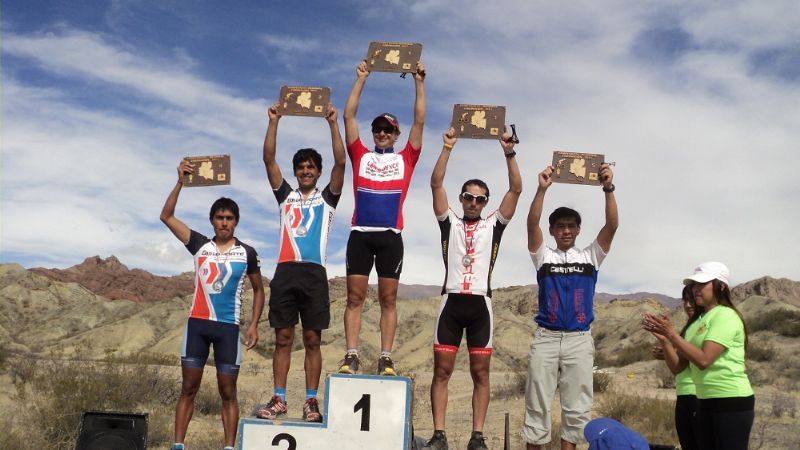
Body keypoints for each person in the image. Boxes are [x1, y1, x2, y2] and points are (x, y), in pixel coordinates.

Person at [423, 127, 522, 450]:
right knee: (442, 372)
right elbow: (436, 183)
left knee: (481, 373)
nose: (474, 202)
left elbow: (516, 189)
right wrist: (448, 146)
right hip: (450, 302)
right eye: (468, 197)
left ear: (485, 203)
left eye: (480, 199)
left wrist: (508, 152)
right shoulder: (448, 221)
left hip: (481, 304)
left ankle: (477, 436)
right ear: (461, 198)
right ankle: (440, 435)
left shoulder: (494, 224)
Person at [160, 160, 265, 450]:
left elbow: (259, 290)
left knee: (228, 392)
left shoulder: (247, 253)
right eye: (219, 217)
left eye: (229, 218)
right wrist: (180, 182)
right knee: (188, 389)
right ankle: (178, 445)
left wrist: (254, 324)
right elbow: (166, 216)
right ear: (212, 220)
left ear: (236, 221)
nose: (224, 222)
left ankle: (229, 447)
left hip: (228, 329)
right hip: (197, 326)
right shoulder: (199, 245)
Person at [255, 102, 345, 423]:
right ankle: (279, 399)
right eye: (301, 167)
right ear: (296, 172)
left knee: (312, 340)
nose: (306, 171)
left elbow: (341, 161)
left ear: (318, 172)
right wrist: (274, 122)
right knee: (282, 338)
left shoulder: (327, 198)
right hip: (285, 271)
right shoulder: (285, 196)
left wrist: (333, 123)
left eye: (311, 167)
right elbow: (268, 158)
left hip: (314, 274)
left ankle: (310, 401)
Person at [338, 58, 426, 376]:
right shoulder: (360, 154)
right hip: (360, 233)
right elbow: (348, 116)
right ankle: (351, 355)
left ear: (396, 134)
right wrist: (361, 78)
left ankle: (385, 357)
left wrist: (418, 81)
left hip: (391, 235)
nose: (381, 133)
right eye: (377, 129)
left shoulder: (407, 158)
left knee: (389, 299)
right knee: (355, 298)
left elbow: (419, 122)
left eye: (388, 130)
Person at [522, 163, 618, 450]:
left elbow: (612, 226)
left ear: (578, 229)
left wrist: (608, 189)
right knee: (536, 405)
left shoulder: (591, 256)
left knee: (576, 410)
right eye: (560, 226)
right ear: (551, 230)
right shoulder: (543, 256)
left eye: (570, 225)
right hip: (546, 338)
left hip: (579, 338)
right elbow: (531, 224)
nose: (565, 230)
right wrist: (541, 189)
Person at [643, 262, 754, 450]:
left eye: (702, 284)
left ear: (721, 286)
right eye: (695, 285)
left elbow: (704, 360)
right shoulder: (697, 323)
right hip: (705, 400)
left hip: (730, 400)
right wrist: (664, 340)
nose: (696, 290)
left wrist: (672, 335)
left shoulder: (726, 315)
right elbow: (678, 367)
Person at [650, 285, 702, 450]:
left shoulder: (703, 326)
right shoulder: (689, 327)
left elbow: (681, 364)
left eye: (691, 299)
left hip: (699, 395)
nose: (687, 305)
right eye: (685, 300)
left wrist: (668, 342)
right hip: (684, 393)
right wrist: (667, 349)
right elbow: (679, 364)